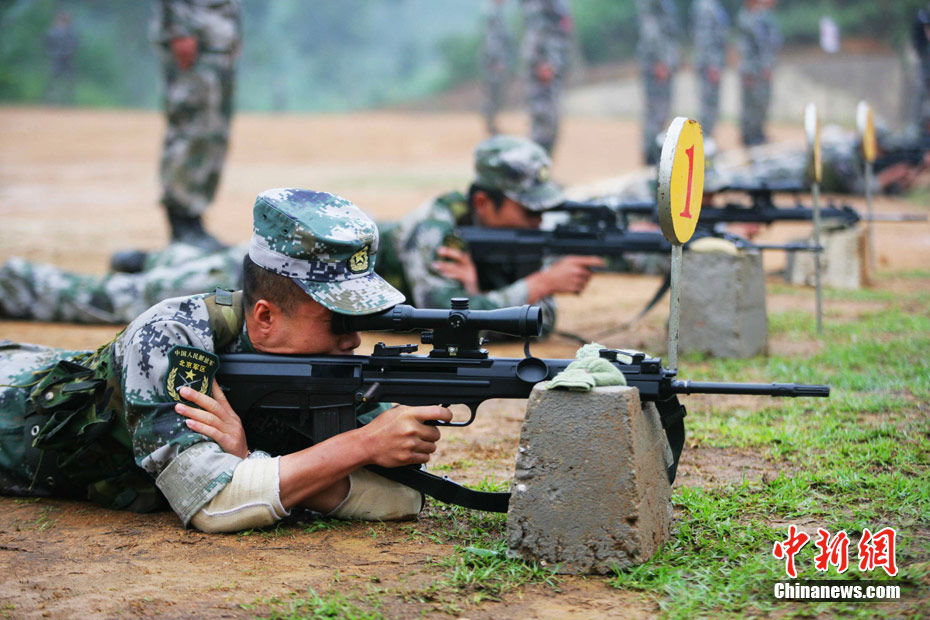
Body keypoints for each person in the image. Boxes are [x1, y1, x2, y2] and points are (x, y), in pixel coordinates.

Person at [0, 189, 452, 532]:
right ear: (266, 317)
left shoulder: (326, 370)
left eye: (359, 318)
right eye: (335, 321)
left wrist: (251, 462)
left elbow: (402, 500)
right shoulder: (172, 335)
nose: (353, 338)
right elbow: (211, 503)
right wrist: (360, 446)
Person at [375, 135, 604, 334]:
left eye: (543, 210)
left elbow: (540, 323)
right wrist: (540, 284)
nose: (539, 220)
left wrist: (476, 295)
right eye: (529, 210)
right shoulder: (435, 229)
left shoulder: (512, 239)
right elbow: (447, 324)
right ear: (483, 203)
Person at [149, 0, 241, 251]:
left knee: (212, 132)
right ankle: (182, 222)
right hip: (194, 40)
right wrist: (178, 29)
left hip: (216, 42)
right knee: (191, 129)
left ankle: (194, 221)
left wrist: (232, 34)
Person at [0, 242, 245, 324]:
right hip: (234, 284)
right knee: (118, 298)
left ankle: (154, 260)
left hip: (243, 263)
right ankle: (17, 286)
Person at [521, 0, 573, 154]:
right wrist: (541, 60)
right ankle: (534, 172)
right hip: (544, 64)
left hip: (553, 61)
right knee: (543, 121)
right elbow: (537, 24)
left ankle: (542, 170)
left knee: (551, 121)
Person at [636, 0, 680, 165]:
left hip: (663, 62)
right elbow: (651, 29)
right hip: (657, 64)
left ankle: (656, 152)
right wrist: (659, 61)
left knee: (662, 111)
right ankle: (651, 155)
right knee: (656, 111)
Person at [737, 0, 781, 147]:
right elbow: (748, 49)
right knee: (751, 103)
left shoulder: (758, 16)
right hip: (752, 69)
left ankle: (757, 133)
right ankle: (749, 135)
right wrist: (751, 70)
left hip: (758, 68)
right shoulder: (747, 18)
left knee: (760, 102)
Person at [691, 0, 729, 139]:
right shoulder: (706, 7)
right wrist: (712, 63)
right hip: (709, 64)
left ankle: (708, 138)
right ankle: (704, 140)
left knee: (712, 103)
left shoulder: (713, 5)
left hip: (713, 61)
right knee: (708, 104)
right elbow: (706, 38)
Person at [481, 0, 515, 136]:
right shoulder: (493, 13)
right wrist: (496, 61)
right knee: (493, 92)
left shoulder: (497, 13)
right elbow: (492, 40)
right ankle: (490, 123)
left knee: (497, 92)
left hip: (497, 59)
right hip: (494, 61)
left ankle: (492, 122)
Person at [44, 10, 79, 105]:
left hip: (68, 58)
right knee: (53, 79)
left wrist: (70, 51)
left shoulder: (71, 31)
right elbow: (48, 43)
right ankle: (50, 100)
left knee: (70, 80)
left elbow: (76, 43)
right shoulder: (53, 31)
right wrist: (54, 52)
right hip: (57, 58)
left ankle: (68, 100)